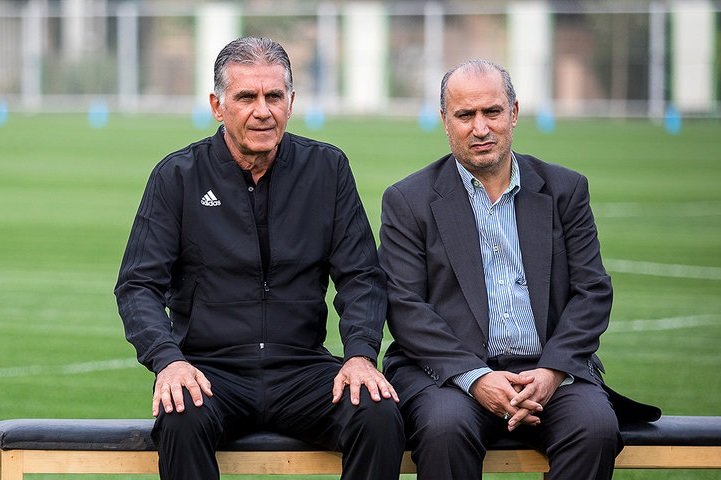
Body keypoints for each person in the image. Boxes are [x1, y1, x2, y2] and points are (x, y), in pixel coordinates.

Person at [114, 36, 404, 480]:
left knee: (378, 414)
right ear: (217, 106)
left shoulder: (327, 169)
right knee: (181, 416)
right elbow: (138, 285)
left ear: (292, 102)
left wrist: (361, 355)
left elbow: (361, 276)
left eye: (274, 96)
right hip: (210, 371)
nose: (262, 111)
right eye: (246, 97)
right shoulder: (178, 176)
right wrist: (167, 359)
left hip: (303, 369)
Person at [378, 59, 660, 480]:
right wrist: (476, 378)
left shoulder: (565, 190)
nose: (480, 128)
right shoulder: (408, 200)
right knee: (445, 429)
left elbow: (592, 291)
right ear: (445, 121)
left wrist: (551, 372)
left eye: (492, 112)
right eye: (465, 115)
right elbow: (404, 306)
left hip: (549, 370)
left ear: (513, 112)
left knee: (594, 428)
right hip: (450, 376)